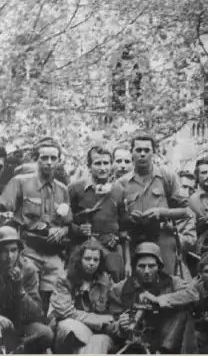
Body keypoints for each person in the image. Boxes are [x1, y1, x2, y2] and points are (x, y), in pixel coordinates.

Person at [0, 137, 72, 310]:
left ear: (59, 161)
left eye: (53, 158)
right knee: (27, 295)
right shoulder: (20, 182)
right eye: (44, 158)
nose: (48, 163)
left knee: (58, 296)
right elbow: (3, 212)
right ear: (36, 159)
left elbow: (68, 222)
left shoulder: (62, 189)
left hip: (53, 253)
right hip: (28, 250)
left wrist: (62, 230)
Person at [115, 132, 195, 279]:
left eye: (147, 150)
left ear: (154, 152)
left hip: (163, 238)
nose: (142, 154)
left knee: (167, 281)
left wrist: (162, 212)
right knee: (137, 284)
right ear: (131, 153)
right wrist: (130, 218)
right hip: (135, 241)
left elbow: (186, 211)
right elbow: (119, 222)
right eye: (138, 150)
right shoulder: (122, 183)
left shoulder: (166, 177)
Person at [108, 242, 199, 353]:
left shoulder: (171, 281)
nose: (146, 271)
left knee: (184, 312)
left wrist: (160, 299)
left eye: (151, 266)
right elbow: (110, 324)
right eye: (141, 266)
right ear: (134, 267)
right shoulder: (120, 288)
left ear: (159, 266)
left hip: (165, 337)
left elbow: (193, 294)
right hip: (133, 339)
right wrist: (120, 325)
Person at [68, 145, 127, 282]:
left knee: (113, 283)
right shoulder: (76, 189)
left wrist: (116, 237)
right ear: (89, 166)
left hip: (109, 250)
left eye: (106, 163)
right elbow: (64, 222)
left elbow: (123, 223)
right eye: (97, 163)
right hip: (83, 251)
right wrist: (78, 229)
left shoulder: (118, 190)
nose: (102, 168)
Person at [49, 241, 116, 354]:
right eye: (87, 258)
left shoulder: (105, 280)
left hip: (97, 330)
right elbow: (66, 312)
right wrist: (98, 319)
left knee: (99, 341)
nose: (92, 263)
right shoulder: (64, 280)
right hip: (70, 328)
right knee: (70, 327)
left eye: (96, 260)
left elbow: (113, 303)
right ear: (79, 259)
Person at [0, 226, 53, 353]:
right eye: (4, 251)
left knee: (46, 334)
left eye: (13, 250)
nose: (9, 256)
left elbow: (36, 313)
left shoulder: (28, 270)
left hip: (19, 326)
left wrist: (20, 290)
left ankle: (15, 350)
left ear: (19, 251)